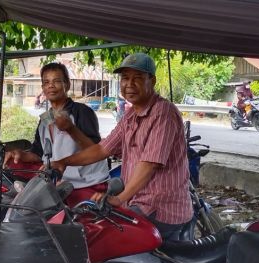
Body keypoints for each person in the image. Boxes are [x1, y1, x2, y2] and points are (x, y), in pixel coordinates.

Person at [51, 53, 192, 241]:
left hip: (160, 209)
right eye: (125, 78)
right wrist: (63, 162)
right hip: (138, 203)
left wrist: (120, 198)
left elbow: (149, 164)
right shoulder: (131, 115)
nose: (129, 84)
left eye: (138, 78)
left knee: (105, 242)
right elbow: (103, 149)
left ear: (153, 81)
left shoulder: (163, 113)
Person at [4, 62, 109, 206]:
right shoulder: (45, 119)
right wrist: (20, 155)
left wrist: (71, 129)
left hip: (86, 183)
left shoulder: (82, 112)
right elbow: (38, 153)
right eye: (46, 82)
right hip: (59, 179)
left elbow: (96, 151)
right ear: (42, 88)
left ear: (67, 85)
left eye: (57, 81)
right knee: (11, 164)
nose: (51, 86)